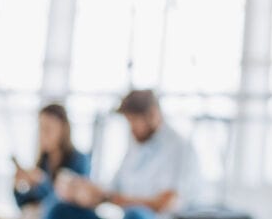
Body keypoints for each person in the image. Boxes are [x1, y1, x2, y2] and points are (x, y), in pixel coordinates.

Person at [50, 90, 201, 219]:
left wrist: (114, 199)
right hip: (125, 215)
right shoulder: (136, 145)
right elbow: (113, 189)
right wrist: (86, 191)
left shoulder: (179, 148)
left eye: (134, 121)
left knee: (135, 214)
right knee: (61, 209)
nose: (131, 128)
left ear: (153, 115)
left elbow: (165, 203)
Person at [12, 103, 91, 219]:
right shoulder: (43, 161)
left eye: (48, 129)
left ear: (63, 130)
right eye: (40, 128)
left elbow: (64, 202)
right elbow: (26, 204)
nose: (42, 135)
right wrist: (18, 187)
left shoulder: (79, 160)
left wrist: (42, 181)